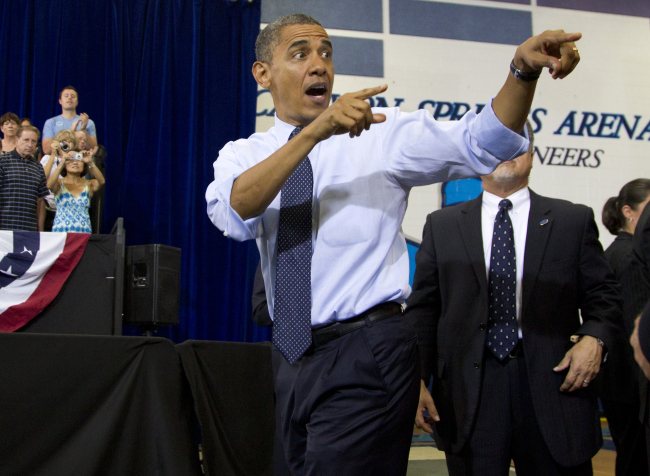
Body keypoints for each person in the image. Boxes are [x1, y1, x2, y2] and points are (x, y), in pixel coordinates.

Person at [206, 13, 581, 476]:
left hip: (368, 349)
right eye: (300, 54)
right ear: (263, 74)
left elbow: (482, 141)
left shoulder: (381, 134)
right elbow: (236, 210)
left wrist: (522, 72)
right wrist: (313, 135)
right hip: (292, 356)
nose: (319, 65)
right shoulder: (243, 154)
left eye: (326, 52)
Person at [405, 122, 622, 476]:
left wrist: (594, 338)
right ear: (476, 158)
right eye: (494, 144)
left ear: (533, 156)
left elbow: (605, 297)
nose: (505, 152)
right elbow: (424, 311)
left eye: (516, 144)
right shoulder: (442, 226)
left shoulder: (572, 220)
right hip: (468, 393)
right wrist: (414, 380)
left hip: (556, 386)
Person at [598, 180, 650, 476]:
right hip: (633, 384)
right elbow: (637, 330)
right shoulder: (631, 257)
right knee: (636, 460)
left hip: (622, 382)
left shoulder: (619, 252)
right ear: (628, 212)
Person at [46, 137, 104, 233]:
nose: (75, 163)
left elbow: (101, 181)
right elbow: (49, 185)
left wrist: (89, 161)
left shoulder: (89, 184)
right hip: (61, 232)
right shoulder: (59, 183)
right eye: (71, 160)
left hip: (83, 231)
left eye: (78, 159)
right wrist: (62, 162)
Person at [0, 125, 48, 231]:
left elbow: (40, 202)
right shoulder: (2, 161)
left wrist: (40, 231)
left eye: (33, 141)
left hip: (29, 229)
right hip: (4, 228)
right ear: (17, 140)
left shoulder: (38, 167)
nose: (30, 145)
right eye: (26, 140)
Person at [42, 86, 97, 155]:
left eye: (73, 96)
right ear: (60, 101)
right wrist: (71, 132)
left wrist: (83, 130)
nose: (70, 98)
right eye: (66, 96)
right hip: (58, 161)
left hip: (81, 162)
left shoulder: (88, 122)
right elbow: (46, 150)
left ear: (77, 102)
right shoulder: (50, 122)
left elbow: (93, 149)